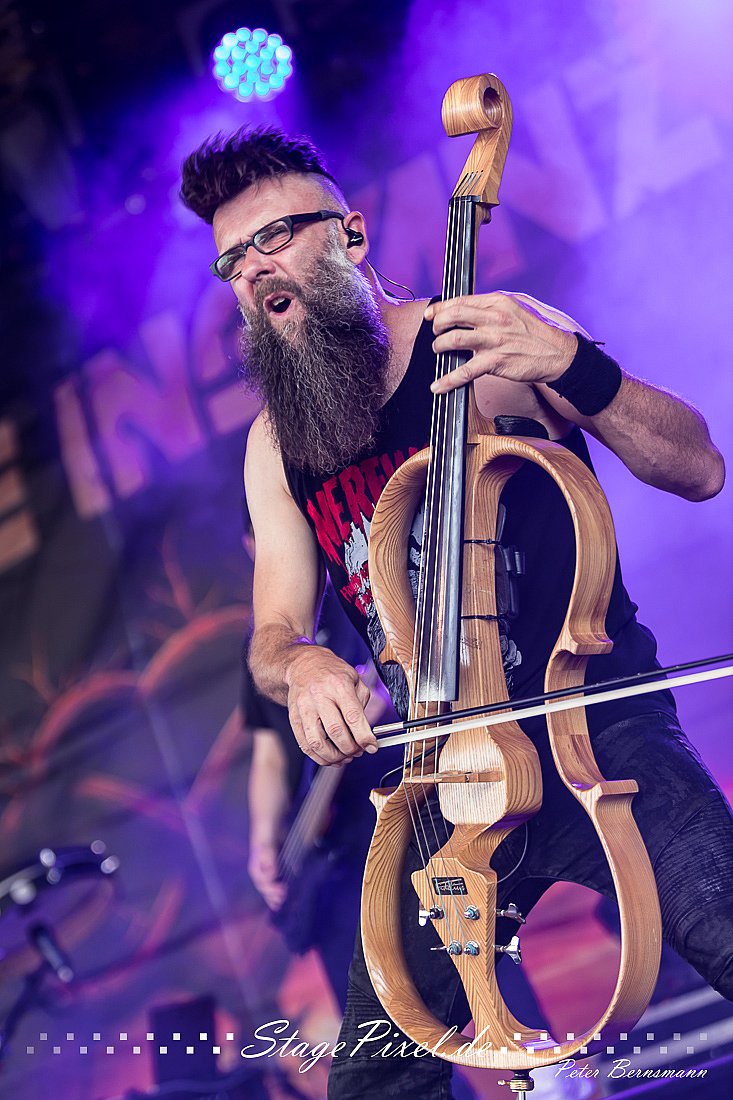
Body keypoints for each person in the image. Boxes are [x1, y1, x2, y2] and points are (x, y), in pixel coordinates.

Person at [180, 126, 731, 1099]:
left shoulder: (492, 335)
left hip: (595, 730)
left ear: (350, 234)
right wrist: (300, 664)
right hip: (444, 775)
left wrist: (574, 364)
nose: (254, 269)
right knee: (374, 1078)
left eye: (274, 237)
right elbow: (272, 633)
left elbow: (696, 466)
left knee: (719, 923)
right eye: (232, 261)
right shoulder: (275, 443)